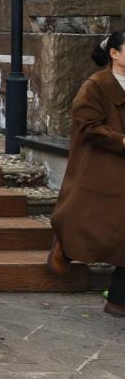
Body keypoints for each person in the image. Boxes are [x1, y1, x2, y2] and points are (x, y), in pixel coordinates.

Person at [49, 31, 125, 319]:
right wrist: (121, 140)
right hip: (102, 163)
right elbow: (87, 125)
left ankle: (118, 299)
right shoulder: (96, 85)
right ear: (114, 53)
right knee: (82, 215)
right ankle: (65, 245)